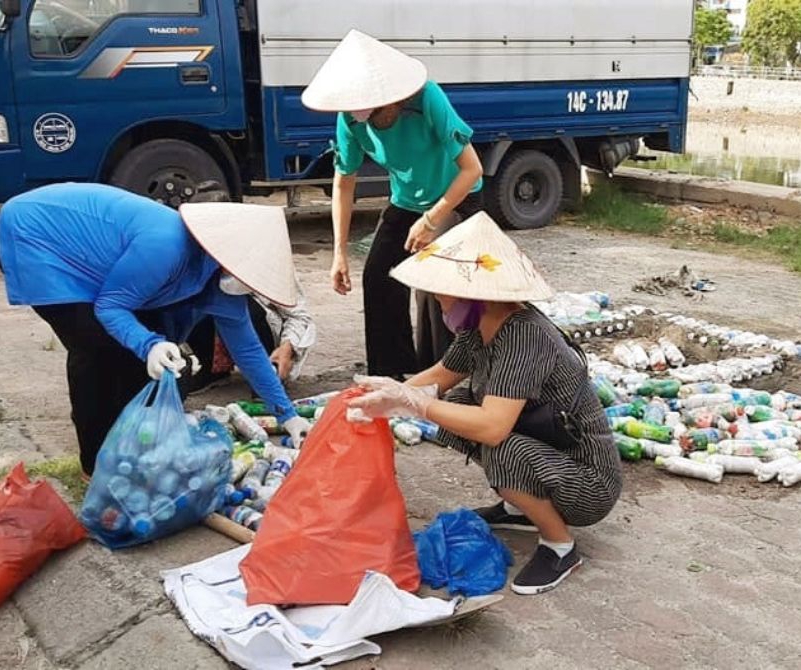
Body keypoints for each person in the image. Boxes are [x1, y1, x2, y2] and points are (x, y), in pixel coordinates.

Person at [349, 212, 622, 596]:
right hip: (546, 446)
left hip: (589, 483)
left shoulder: (525, 335)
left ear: (473, 295)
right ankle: (522, 507)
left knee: (500, 443)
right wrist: (385, 396)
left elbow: (493, 426)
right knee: (456, 404)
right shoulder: (479, 325)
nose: (437, 300)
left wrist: (414, 402)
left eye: (442, 292)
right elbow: (442, 376)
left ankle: (560, 545)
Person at [0, 182, 309, 477]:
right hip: (33, 233)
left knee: (133, 357)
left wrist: (287, 415)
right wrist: (150, 344)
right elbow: (110, 307)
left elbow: (250, 351)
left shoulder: (223, 284)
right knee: (95, 347)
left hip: (94, 259)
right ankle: (96, 464)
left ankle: (131, 449)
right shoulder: (168, 245)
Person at [301, 29, 485, 377]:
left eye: (375, 113)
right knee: (378, 275)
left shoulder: (429, 98)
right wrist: (339, 252)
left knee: (434, 280)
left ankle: (445, 377)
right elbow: (344, 182)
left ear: (395, 98)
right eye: (362, 116)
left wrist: (432, 220)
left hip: (457, 198)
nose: (370, 122)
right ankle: (393, 374)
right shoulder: (352, 120)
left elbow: (472, 169)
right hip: (406, 201)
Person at [182, 183, 317, 389]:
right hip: (213, 333)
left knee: (240, 303)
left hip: (263, 336)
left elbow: (299, 316)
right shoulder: (188, 255)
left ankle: (268, 372)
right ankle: (212, 368)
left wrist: (287, 349)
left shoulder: (263, 255)